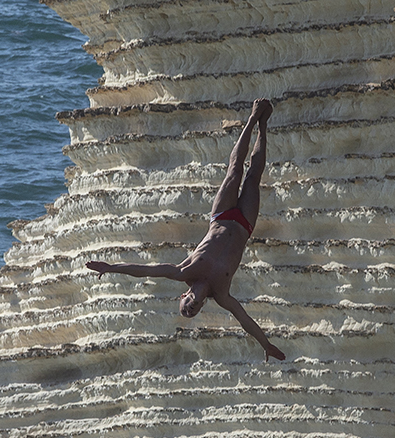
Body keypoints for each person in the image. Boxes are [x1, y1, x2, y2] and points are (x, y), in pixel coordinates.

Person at [86, 99, 286, 362]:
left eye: (185, 307)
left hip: (222, 216)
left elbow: (146, 270)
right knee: (254, 176)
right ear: (202, 305)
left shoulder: (184, 272)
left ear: (184, 296)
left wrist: (111, 268)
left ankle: (251, 118)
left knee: (235, 170)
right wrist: (265, 343)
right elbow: (244, 320)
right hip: (245, 224)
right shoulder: (222, 294)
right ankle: (263, 124)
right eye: (193, 311)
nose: (190, 308)